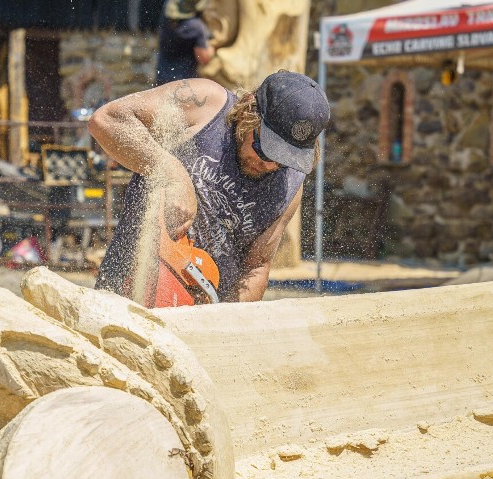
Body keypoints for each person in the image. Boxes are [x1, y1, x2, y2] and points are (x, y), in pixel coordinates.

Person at [88, 70, 330, 302]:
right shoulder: (206, 104)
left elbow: (256, 267)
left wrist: (225, 329)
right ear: (249, 110)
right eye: (264, 150)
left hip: (203, 312)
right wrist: (172, 173)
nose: (269, 166)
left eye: (283, 160)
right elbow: (108, 120)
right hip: (128, 290)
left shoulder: (290, 184)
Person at [155, 0, 215, 86]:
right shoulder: (196, 27)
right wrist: (213, 47)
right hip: (183, 82)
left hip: (162, 77)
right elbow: (203, 58)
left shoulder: (166, 13)